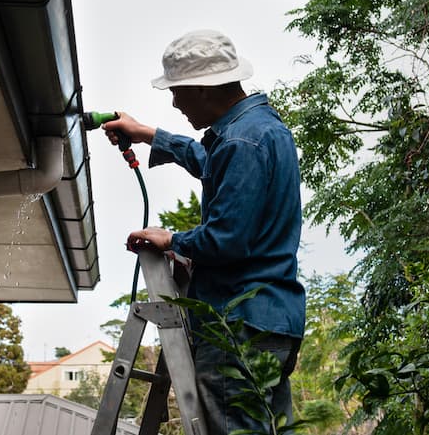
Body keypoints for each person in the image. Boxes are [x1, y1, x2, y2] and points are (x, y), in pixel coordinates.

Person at [102, 29, 305, 435]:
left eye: (179, 92)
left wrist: (173, 240)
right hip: (271, 320)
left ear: (205, 88)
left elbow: (225, 240)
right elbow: (211, 160)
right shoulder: (257, 129)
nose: (175, 102)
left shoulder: (241, 143)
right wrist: (149, 135)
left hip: (239, 323)